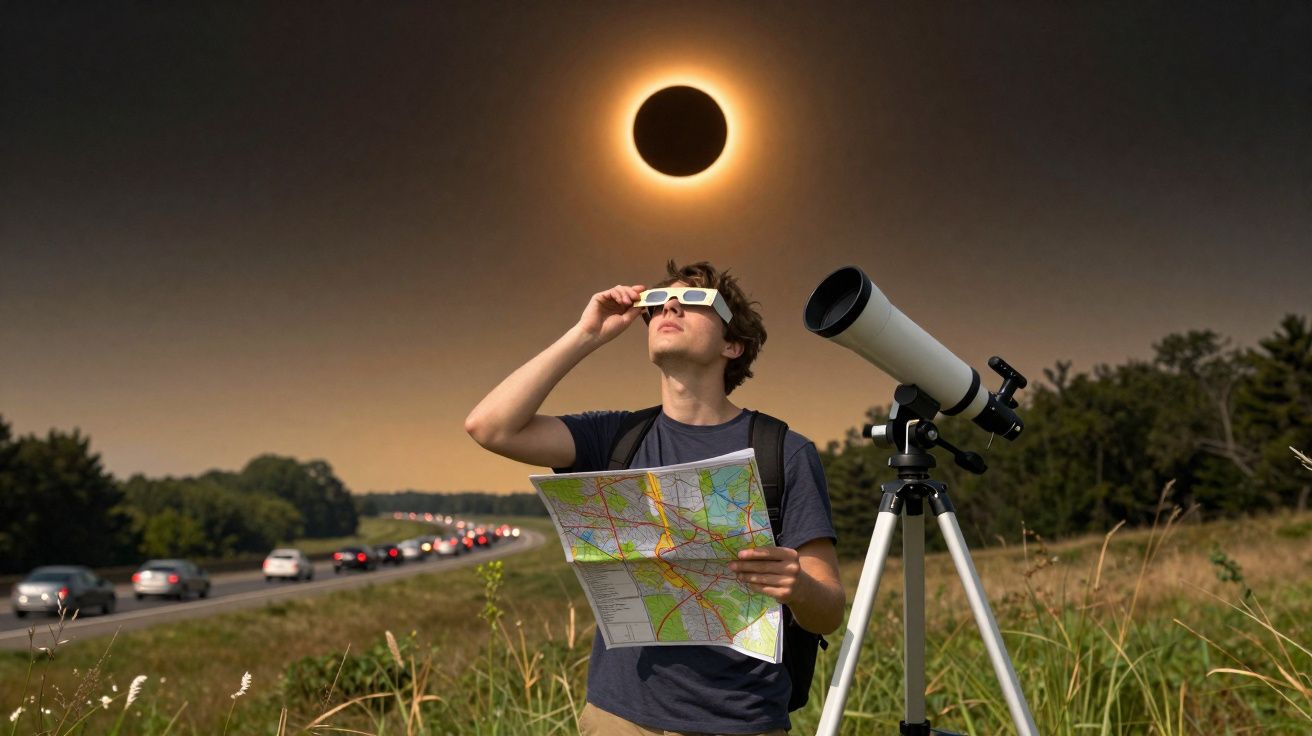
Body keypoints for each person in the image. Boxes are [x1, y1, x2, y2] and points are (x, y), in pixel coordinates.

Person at [465, 260, 845, 735]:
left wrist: (800, 587)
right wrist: (586, 334)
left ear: (733, 345)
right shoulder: (615, 437)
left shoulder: (783, 452)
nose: (669, 305)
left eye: (694, 301)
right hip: (617, 717)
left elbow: (828, 611)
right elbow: (490, 426)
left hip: (738, 719)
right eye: (659, 303)